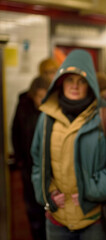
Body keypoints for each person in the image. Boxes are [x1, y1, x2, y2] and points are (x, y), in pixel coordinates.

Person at [31, 49, 106, 240]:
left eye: (82, 81)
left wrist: (90, 190)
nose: (75, 86)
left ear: (90, 85)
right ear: (60, 82)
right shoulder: (47, 117)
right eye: (70, 80)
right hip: (56, 220)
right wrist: (47, 193)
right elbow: (38, 161)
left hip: (93, 219)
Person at [11, 76, 51, 240]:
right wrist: (20, 160)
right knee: (33, 211)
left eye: (45, 96)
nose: (42, 100)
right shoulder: (24, 109)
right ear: (32, 95)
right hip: (29, 168)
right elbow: (16, 133)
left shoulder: (52, 113)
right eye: (39, 96)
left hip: (49, 170)